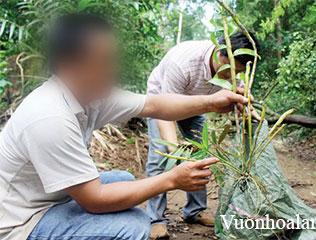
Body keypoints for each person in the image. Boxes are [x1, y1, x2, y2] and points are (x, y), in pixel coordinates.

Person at [0, 14, 252, 240]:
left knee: (123, 179)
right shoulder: (50, 118)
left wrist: (211, 102)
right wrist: (172, 178)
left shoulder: (93, 96)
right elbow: (94, 200)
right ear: (70, 66)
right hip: (22, 221)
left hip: (52, 197)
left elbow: (155, 104)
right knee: (131, 225)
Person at [146, 29, 260, 238]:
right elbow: (165, 111)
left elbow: (239, 92)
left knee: (202, 152)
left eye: (238, 73)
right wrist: (175, 150)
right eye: (228, 72)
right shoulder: (182, 63)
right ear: (219, 52)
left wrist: (248, 106)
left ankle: (194, 211)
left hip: (196, 105)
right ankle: (155, 219)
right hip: (160, 101)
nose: (231, 77)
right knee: (160, 156)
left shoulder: (233, 71)